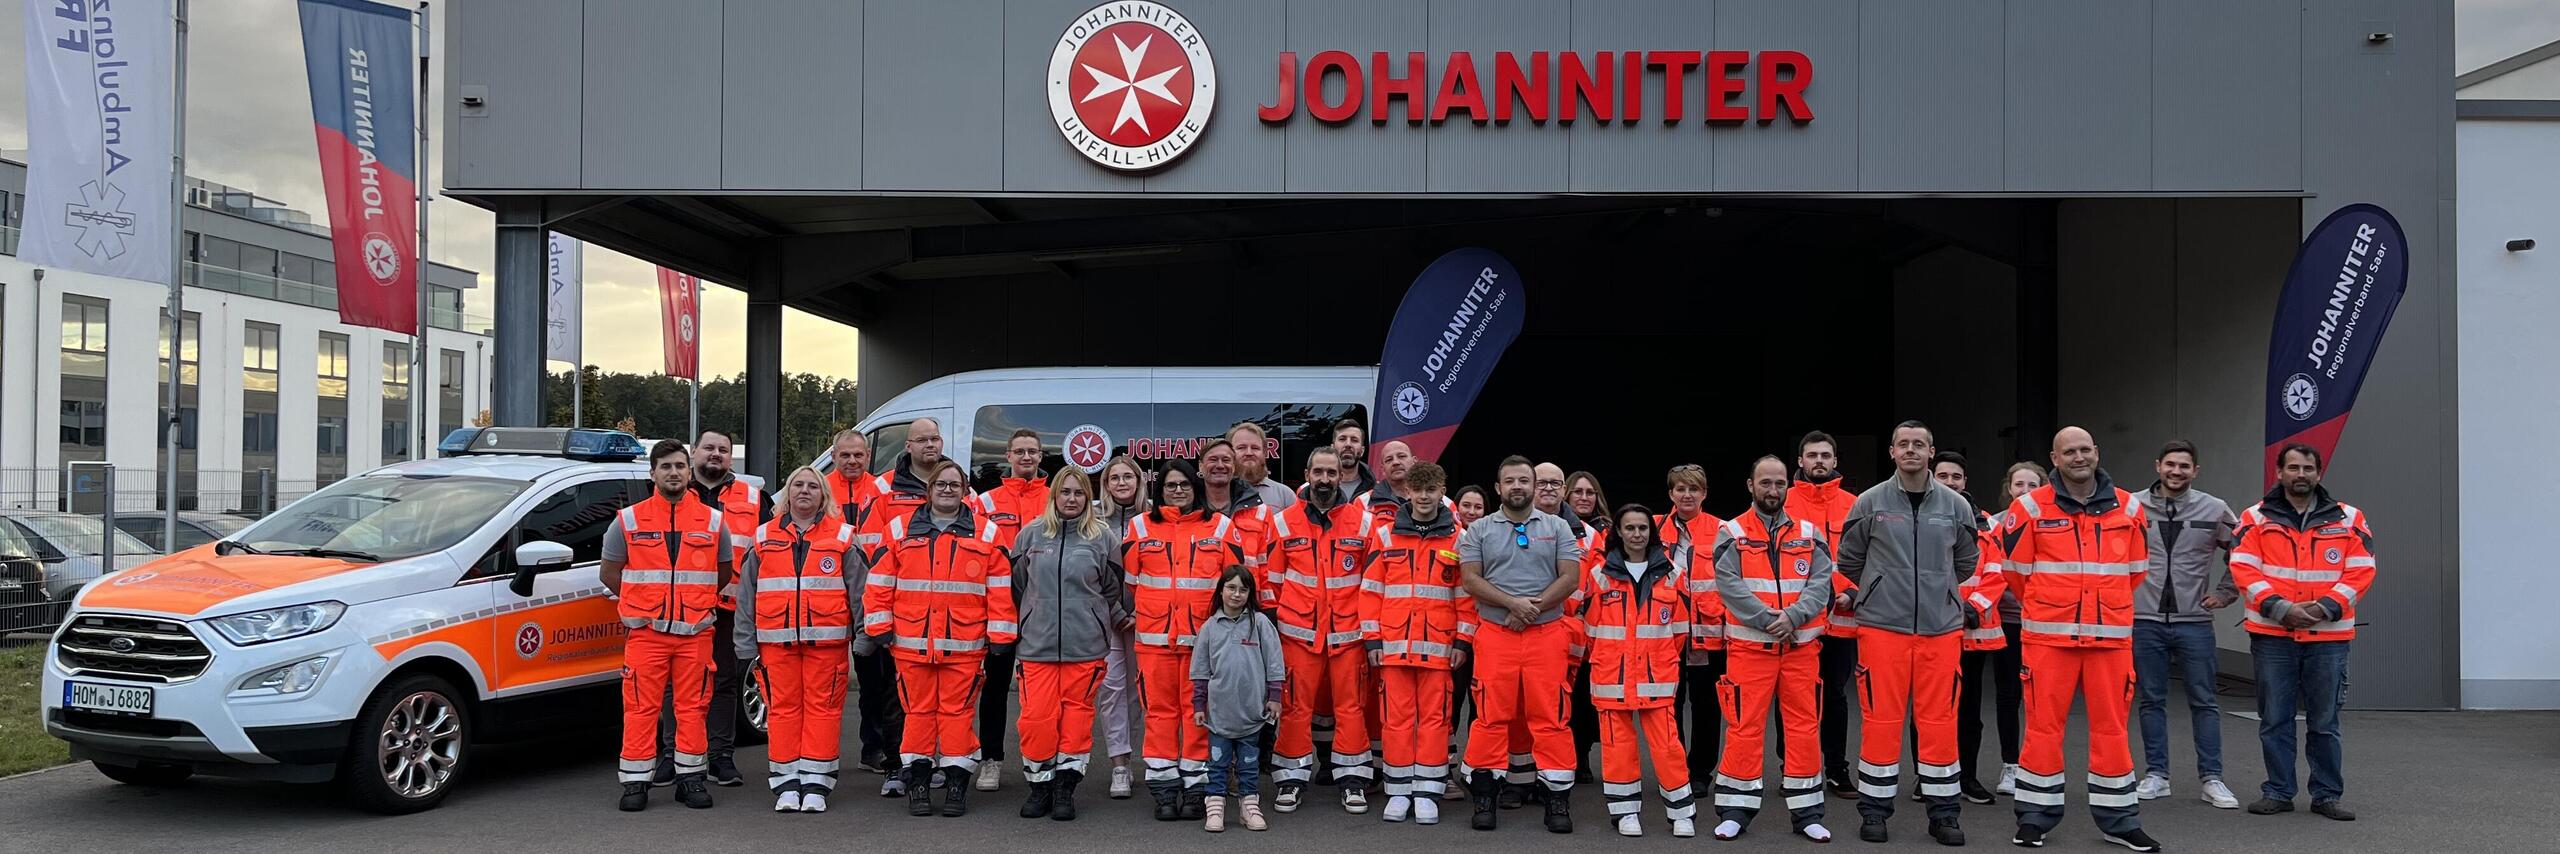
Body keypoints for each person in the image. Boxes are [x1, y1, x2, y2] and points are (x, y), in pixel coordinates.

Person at [1999, 427, 2158, 852]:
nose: (2079, 457)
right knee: (2042, 731)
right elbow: (2015, 573)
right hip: (2049, 640)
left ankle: (2120, 821)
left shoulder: (2130, 506)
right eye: (2069, 451)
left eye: (2085, 449)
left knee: (2112, 732)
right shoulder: (2029, 507)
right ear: (2054, 458)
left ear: (2097, 452)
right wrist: (2057, 605)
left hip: (2110, 639)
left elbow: (2137, 569)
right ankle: (2035, 817)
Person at [1834, 421, 1990, 846]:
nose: (1911, 450)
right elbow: (1848, 560)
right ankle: (1874, 811)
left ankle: (1944, 815)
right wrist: (1878, 589)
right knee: (1880, 722)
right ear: (1891, 452)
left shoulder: (1956, 505)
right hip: (1883, 629)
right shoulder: (1869, 502)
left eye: (1918, 444)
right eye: (1903, 444)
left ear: (1931, 451)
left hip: (1940, 631)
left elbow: (1966, 561)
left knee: (1939, 723)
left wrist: (1938, 590)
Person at [862, 459, 1017, 819]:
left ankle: (956, 783)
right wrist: (879, 626)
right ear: (928, 490)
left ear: (965, 491)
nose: (947, 490)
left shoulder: (987, 532)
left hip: (965, 645)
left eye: (954, 485)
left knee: (956, 716)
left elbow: (1000, 589)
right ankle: (917, 781)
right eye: (940, 484)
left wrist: (1000, 635)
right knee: (917, 715)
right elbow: (879, 582)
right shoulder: (899, 528)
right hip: (911, 643)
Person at [2229, 443, 2373, 823]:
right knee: (2274, 718)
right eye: (2292, 467)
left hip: (2329, 637)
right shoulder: (2255, 518)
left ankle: (2326, 795)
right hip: (2273, 635)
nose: (2300, 474)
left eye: (2308, 468)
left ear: (2319, 473)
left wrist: (2323, 609)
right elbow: (2243, 568)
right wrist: (2281, 609)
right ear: (2279, 473)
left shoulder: (2348, 518)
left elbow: (2361, 570)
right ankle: (2278, 791)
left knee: (2325, 723)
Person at [603, 439, 735, 811]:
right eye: (665, 467)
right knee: (641, 708)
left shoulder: (713, 521)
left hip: (694, 633)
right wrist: (642, 603)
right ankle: (635, 783)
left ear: (689, 471)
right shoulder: (628, 520)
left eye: (679, 466)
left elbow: (721, 572)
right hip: (647, 633)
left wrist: (692, 604)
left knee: (693, 709)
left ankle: (690, 779)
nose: (674, 472)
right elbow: (610, 573)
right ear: (652, 474)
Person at [1458, 455, 1587, 834]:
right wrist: (1513, 604)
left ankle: (1557, 800)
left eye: (1524, 481)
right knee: (1490, 717)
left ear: (1534, 486)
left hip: (1546, 636)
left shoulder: (1559, 526)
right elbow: (1470, 580)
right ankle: (1485, 796)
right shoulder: (1478, 530)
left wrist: (1529, 610)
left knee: (1551, 717)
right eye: (1510, 481)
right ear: (1498, 488)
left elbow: (1570, 578)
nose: (1518, 487)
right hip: (1496, 636)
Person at [1711, 457, 1836, 842]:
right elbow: (1729, 585)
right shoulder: (1730, 532)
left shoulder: (1811, 533)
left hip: (1799, 650)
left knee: (1803, 729)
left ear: (1788, 486)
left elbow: (1821, 582)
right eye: (1765, 483)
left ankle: (1807, 813)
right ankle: (1735, 810)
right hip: (1750, 650)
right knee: (1744, 729)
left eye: (1780, 483)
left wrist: (1794, 617)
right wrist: (1770, 620)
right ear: (1750, 485)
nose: (1773, 490)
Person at [732, 466, 861, 813]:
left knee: (824, 713)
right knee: (783, 712)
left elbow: (861, 594)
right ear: (787, 494)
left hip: (828, 646)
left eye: (813, 486)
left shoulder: (844, 537)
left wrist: (863, 637)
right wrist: (744, 643)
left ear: (823, 496)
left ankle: (817, 784)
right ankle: (786, 784)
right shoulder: (761, 537)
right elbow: (746, 596)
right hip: (775, 645)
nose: (805, 491)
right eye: (798, 485)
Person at [1124, 458, 1247, 821]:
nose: (1178, 491)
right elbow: (1129, 584)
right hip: (1155, 640)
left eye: (1184, 485)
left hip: (1205, 644)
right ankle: (1164, 790)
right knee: (1159, 715)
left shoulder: (1222, 527)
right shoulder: (1140, 527)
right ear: (1159, 490)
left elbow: (1236, 584)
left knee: (1199, 714)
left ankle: (1196, 789)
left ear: (1196, 488)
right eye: (1170, 485)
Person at [2128, 440, 2244, 810]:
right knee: (2150, 700)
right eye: (2170, 465)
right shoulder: (2130, 505)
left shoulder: (2214, 509)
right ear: (2158, 465)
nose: (2176, 472)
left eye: (2184, 466)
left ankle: (2212, 779)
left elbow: (2244, 551)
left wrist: (2226, 593)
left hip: (2194, 622)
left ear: (2196, 471)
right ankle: (2157, 775)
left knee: (2204, 701)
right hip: (2143, 620)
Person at [1009, 467, 1128, 821]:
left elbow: (1112, 589)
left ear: (1087, 498)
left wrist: (1112, 618)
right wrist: (1029, 619)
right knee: (1036, 720)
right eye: (1066, 492)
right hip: (1037, 646)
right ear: (1054, 496)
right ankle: (1039, 786)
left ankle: (1065, 787)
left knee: (1076, 720)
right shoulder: (1030, 535)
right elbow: (1017, 588)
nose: (1072, 499)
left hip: (1086, 647)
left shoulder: (1103, 538)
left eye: (1079, 493)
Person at [1268, 447, 1379, 813]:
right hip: (1298, 634)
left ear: (1340, 476)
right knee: (1295, 707)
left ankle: (1353, 781)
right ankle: (1290, 779)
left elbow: (1372, 582)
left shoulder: (1363, 523)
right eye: (1319, 472)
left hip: (1349, 635)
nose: (1325, 479)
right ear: (1307, 473)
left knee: (1351, 708)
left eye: (1331, 473)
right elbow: (1272, 582)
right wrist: (1288, 620)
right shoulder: (1283, 521)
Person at [1360, 460, 1471, 825]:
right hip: (1393, 648)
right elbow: (1371, 590)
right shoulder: (1386, 535)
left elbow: (1465, 596)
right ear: (1406, 492)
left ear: (1443, 493)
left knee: (1436, 722)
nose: (1424, 496)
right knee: (1396, 721)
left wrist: (1463, 641)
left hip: (1440, 651)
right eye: (1418, 489)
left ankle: (1426, 791)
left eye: (1431, 489)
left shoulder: (1458, 538)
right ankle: (1398, 789)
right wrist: (1372, 640)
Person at [1580, 504, 1700, 838]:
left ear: (1652, 532)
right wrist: (1611, 659)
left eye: (1643, 528)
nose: (1637, 534)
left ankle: (1681, 812)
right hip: (1611, 677)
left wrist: (1656, 660)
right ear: (1618, 531)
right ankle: (1625, 813)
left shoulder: (1673, 573)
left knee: (1668, 747)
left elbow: (1679, 631)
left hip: (1656, 676)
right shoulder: (1600, 575)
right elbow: (1590, 632)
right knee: (1618, 748)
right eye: (1630, 528)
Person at [661, 429, 770, 790]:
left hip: (729, 606)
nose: (716, 454)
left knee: (724, 682)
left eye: (723, 450)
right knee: (676, 685)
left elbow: (769, 553)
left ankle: (721, 757)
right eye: (709, 447)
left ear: (731, 458)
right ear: (694, 452)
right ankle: (670, 754)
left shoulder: (755, 498)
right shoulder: (671, 491)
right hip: (678, 607)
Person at [1782, 430, 1861, 800]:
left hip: (1842, 619)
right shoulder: (1783, 501)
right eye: (1811, 455)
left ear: (1835, 461)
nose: (1818, 461)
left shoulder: (1856, 503)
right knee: (1793, 696)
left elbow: (1870, 556)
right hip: (1798, 618)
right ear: (1800, 461)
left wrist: (1849, 590)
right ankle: (1792, 768)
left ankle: (1835, 769)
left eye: (1825, 455)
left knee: (1835, 697)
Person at [972, 428, 1051, 793]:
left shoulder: (1054, 499)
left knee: (1040, 692)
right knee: (995, 687)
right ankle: (991, 760)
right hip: (998, 606)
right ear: (1007, 456)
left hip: (1044, 607)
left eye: (1032, 452)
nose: (1026, 458)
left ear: (1040, 457)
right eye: (1019, 451)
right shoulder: (986, 502)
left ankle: (1043, 759)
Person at [1934, 451, 2014, 805]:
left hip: (1972, 630)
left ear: (1965, 482)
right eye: (1943, 476)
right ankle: (1929, 778)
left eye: (1956, 477)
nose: (1950, 482)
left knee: (1968, 711)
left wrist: (1972, 607)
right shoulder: (1916, 519)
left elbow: (1998, 572)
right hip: (1932, 628)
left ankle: (1966, 777)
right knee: (1930, 710)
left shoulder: (1988, 525)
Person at [826, 429, 903, 781]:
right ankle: (818, 751)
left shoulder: (881, 489)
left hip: (873, 593)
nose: (853, 461)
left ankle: (875, 747)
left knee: (876, 678)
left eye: (859, 455)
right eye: (845, 455)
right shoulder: (820, 487)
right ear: (833, 454)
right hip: (828, 593)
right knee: (829, 678)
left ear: (868, 455)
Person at [1193, 565, 1288, 832]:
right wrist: (1199, 704)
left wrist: (1275, 696)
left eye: (1243, 589)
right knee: (1218, 763)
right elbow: (1200, 671)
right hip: (1219, 714)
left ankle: (1249, 807)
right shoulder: (1210, 627)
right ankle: (1215, 808)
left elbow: (1274, 663)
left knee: (1248, 764)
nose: (1236, 594)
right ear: (1221, 590)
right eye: (1231, 588)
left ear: (1250, 594)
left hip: (1251, 713)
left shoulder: (1260, 624)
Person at [1973, 462, 2042, 799]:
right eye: (2019, 484)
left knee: (2041, 698)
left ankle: (2038, 764)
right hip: (2007, 621)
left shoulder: (2052, 520)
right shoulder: (1995, 524)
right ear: (2008, 488)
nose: (2025, 491)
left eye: (2033, 485)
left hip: (2043, 622)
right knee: (2007, 694)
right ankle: (2010, 765)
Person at [1657, 464, 1727, 793]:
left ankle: (1700, 772)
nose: (1687, 494)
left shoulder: (1724, 529)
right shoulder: (1653, 528)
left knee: (1707, 707)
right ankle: (1675, 771)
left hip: (1709, 635)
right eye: (1681, 489)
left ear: (1704, 493)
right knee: (1668, 706)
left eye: (1694, 489)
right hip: (1665, 634)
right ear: (1671, 493)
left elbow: (1736, 580)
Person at [1094, 454, 1152, 799]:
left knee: (1139, 693)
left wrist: (1141, 612)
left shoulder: (1151, 518)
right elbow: (1096, 575)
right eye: (1114, 478)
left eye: (1127, 477)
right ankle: (1120, 764)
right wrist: (1116, 612)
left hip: (1146, 620)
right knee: (1112, 691)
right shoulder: (1096, 521)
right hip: (1108, 620)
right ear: (1106, 484)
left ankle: (1143, 755)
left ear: (1139, 480)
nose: (1120, 483)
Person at [1232, 421, 1298, 512]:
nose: (1249, 453)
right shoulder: (1217, 493)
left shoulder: (1284, 495)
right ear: (1230, 453)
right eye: (1241, 447)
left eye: (1255, 448)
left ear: (1264, 452)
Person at [1333, 419, 1374, 499]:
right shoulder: (1311, 489)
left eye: (1354, 440)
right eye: (1342, 439)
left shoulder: (1376, 491)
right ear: (1332, 448)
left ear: (1362, 451)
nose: (1348, 444)